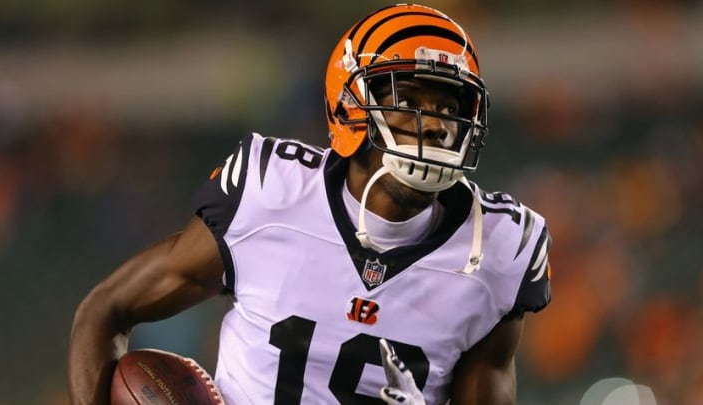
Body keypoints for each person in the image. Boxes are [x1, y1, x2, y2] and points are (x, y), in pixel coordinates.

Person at [68, 3, 552, 404]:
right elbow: (105, 310)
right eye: (413, 102)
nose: (436, 125)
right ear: (350, 106)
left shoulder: (497, 252)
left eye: (450, 108)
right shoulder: (270, 193)